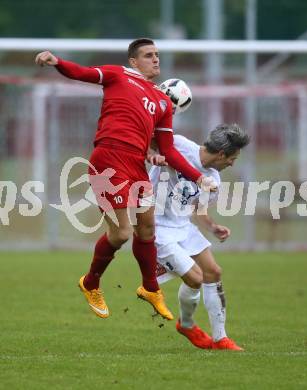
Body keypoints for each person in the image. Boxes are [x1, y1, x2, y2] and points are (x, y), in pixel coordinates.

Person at [35, 38, 214, 321]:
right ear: (134, 61)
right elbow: (82, 72)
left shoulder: (162, 102)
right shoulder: (119, 75)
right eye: (148, 55)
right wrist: (57, 63)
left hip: (135, 165)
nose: (155, 59)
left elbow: (167, 150)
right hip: (109, 158)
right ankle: (91, 282)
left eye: (156, 55)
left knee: (147, 229)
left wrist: (198, 177)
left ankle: (150, 288)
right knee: (121, 233)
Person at [150, 123, 250, 350]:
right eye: (232, 158)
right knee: (196, 278)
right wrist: (153, 156)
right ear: (222, 154)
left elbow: (199, 210)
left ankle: (221, 338)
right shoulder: (179, 145)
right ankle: (186, 325)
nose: (232, 163)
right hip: (156, 225)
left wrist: (213, 228)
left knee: (213, 271)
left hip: (182, 225)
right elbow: (148, 140)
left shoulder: (213, 178)